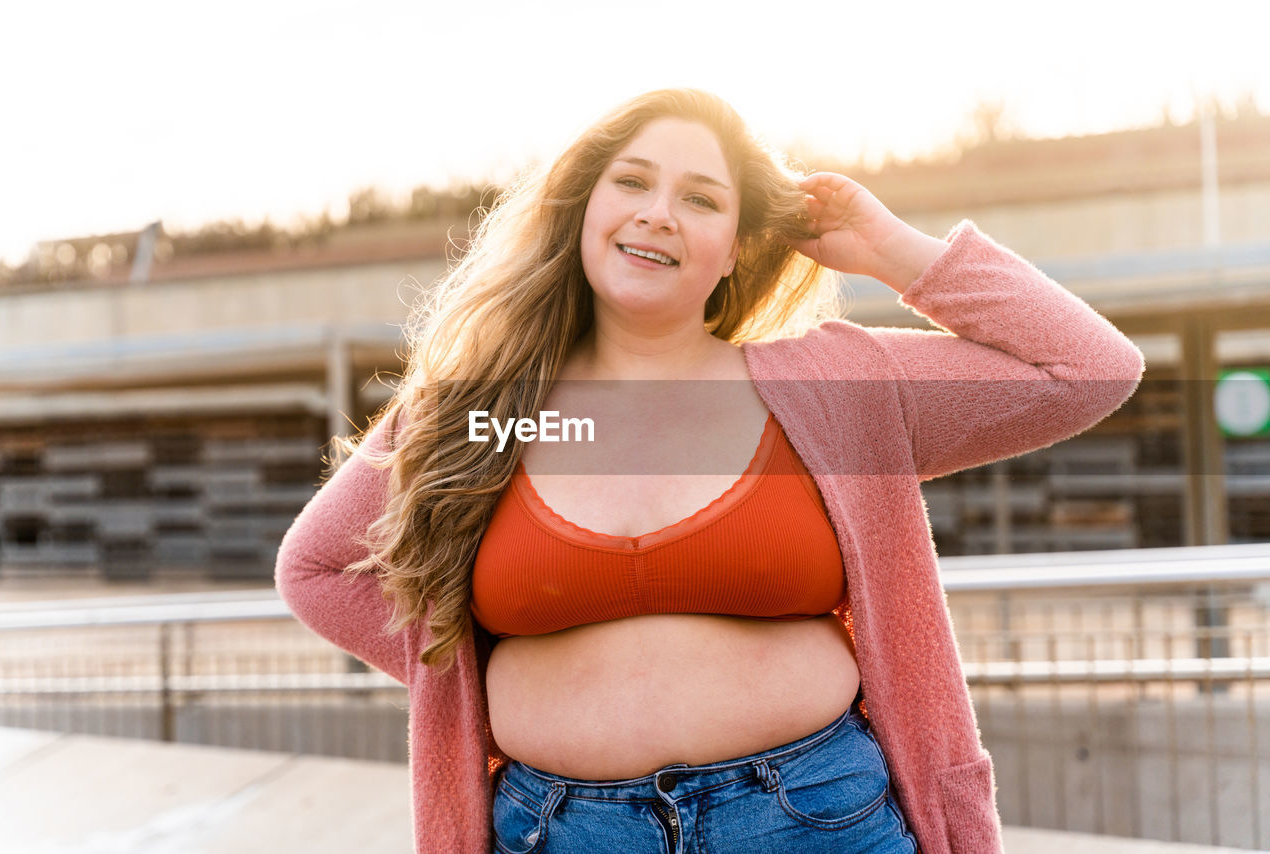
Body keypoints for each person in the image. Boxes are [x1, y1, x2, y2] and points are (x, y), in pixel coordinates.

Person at [275, 88, 1144, 854]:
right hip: (561, 831)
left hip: (817, 822)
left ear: (734, 248)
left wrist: (889, 247)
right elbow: (315, 570)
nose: (659, 212)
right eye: (632, 181)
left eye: (700, 198)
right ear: (582, 209)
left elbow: (1088, 368)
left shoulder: (831, 389)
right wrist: (473, 681)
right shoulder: (489, 411)